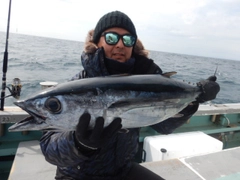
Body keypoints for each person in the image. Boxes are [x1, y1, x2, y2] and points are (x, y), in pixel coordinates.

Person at [40, 11, 220, 180]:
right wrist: (79, 143)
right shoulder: (76, 87)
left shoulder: (150, 81)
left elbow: (164, 126)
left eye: (127, 39)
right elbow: (49, 148)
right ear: (97, 42)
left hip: (122, 171)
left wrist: (192, 101)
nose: (119, 45)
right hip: (77, 175)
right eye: (111, 38)